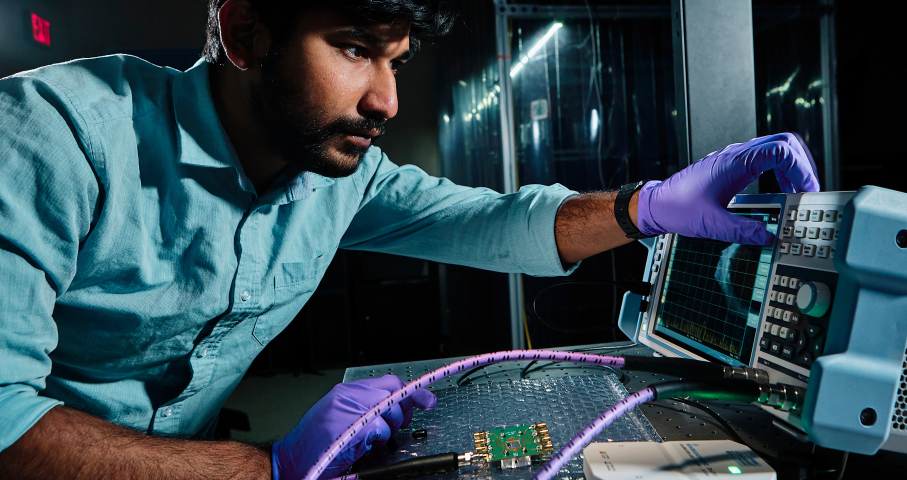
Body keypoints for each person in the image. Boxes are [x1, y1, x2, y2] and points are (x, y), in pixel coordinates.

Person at [0, 0, 819, 478]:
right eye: (356, 50)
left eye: (397, 60)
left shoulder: (342, 177)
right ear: (246, 33)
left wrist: (645, 208)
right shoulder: (50, 137)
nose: (386, 99)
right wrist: (272, 470)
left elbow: (490, 222)